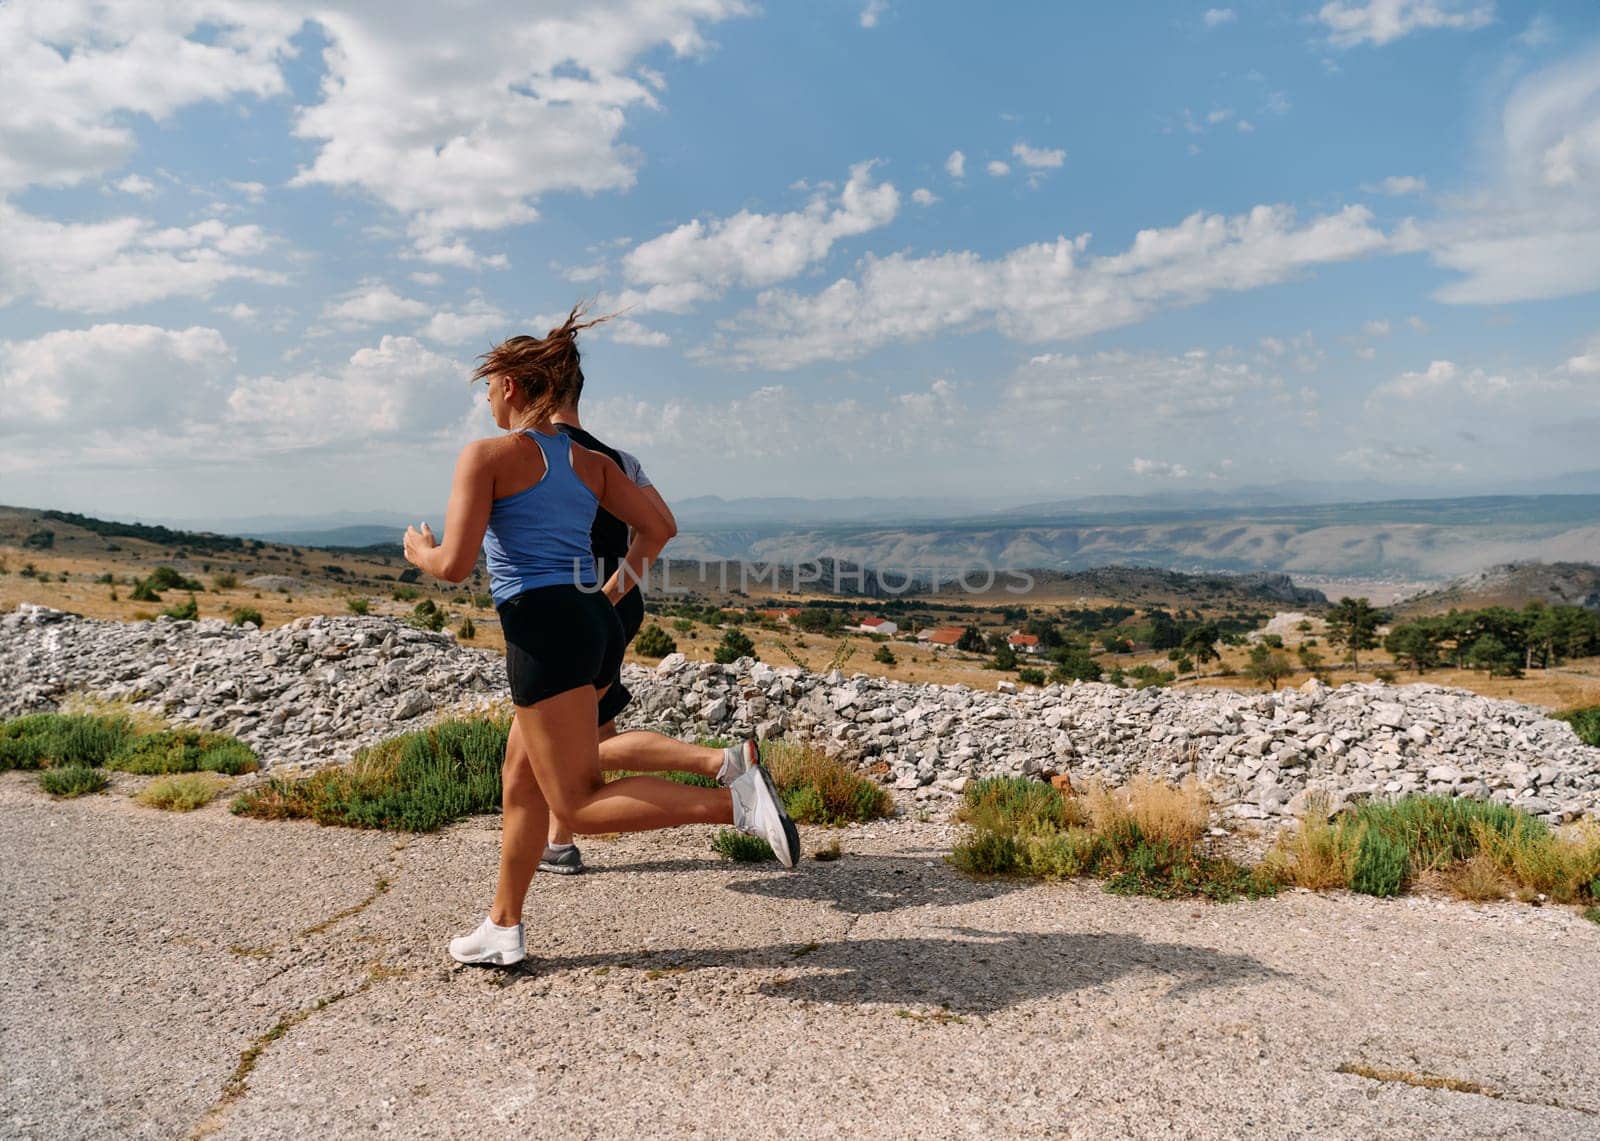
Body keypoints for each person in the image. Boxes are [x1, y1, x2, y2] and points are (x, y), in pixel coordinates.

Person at [402, 306, 799, 967]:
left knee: (578, 804)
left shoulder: (486, 457)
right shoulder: (592, 464)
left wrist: (419, 549)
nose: (489, 400)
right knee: (520, 777)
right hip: (590, 623)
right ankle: (503, 924)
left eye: (491, 387)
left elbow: (455, 565)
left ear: (513, 388)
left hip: (542, 632)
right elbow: (659, 528)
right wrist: (609, 594)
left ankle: (736, 803)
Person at [532, 384, 758, 876]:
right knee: (591, 726)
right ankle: (558, 841)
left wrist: (596, 597)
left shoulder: (543, 455)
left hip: (574, 608)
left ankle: (723, 764)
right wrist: (616, 591)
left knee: (559, 740)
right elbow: (662, 525)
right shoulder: (621, 460)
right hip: (620, 602)